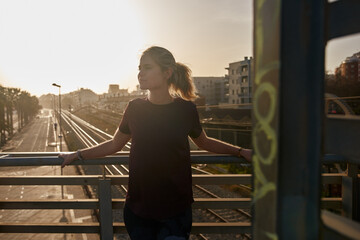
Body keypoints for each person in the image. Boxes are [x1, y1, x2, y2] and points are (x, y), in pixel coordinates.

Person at [60, 46, 252, 240]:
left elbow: (204, 142)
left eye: (147, 68)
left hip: (175, 210)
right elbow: (114, 144)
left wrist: (240, 151)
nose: (140, 74)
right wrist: (77, 154)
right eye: (140, 68)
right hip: (139, 209)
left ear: (167, 72)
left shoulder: (186, 110)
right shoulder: (134, 108)